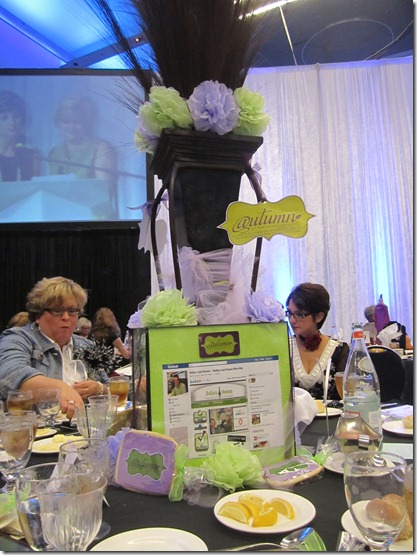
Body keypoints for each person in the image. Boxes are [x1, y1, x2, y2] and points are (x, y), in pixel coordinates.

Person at [0, 276, 109, 419]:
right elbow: (10, 376)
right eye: (57, 310)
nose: (66, 317)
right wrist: (58, 388)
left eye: (72, 310)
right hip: (35, 430)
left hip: (83, 429)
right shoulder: (18, 338)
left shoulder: (86, 346)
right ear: (38, 315)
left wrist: (100, 389)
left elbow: (111, 388)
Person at [286, 282, 349, 400]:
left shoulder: (339, 350)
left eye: (299, 314)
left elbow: (348, 395)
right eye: (289, 313)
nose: (292, 320)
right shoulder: (284, 348)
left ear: (319, 316)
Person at [48, 95, 117, 186]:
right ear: (58, 122)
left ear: (88, 123)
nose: (71, 128)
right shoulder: (54, 152)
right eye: (66, 122)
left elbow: (105, 190)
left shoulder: (101, 148)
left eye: (77, 122)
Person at [0, 90, 40, 182]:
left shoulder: (32, 156)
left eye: (16, 116)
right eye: (4, 118)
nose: (12, 122)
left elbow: (37, 188)